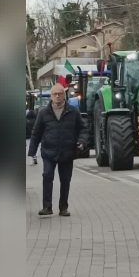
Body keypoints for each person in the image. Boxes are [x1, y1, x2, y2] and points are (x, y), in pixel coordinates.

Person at [27, 83, 88, 216]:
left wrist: (82, 141)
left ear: (64, 96)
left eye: (60, 93)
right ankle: (47, 207)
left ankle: (63, 208)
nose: (58, 96)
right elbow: (36, 133)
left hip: (67, 152)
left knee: (65, 180)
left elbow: (83, 129)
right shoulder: (43, 113)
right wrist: (32, 152)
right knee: (47, 176)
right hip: (49, 152)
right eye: (55, 94)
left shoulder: (73, 112)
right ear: (51, 96)